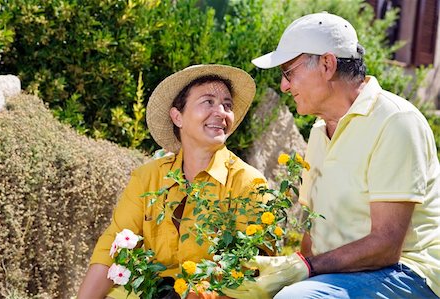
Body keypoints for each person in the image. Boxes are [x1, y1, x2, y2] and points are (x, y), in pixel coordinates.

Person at [223, 12, 440, 299]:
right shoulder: (318, 132)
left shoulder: (396, 121)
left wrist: (303, 269)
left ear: (327, 64)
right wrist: (288, 273)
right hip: (340, 274)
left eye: (289, 71)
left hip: (407, 273)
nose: (284, 85)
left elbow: (387, 245)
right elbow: (314, 234)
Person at [77, 64, 266, 299]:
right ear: (177, 116)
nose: (221, 112)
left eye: (227, 105)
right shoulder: (147, 178)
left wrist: (194, 294)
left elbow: (256, 272)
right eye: (208, 101)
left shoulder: (248, 183)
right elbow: (111, 248)